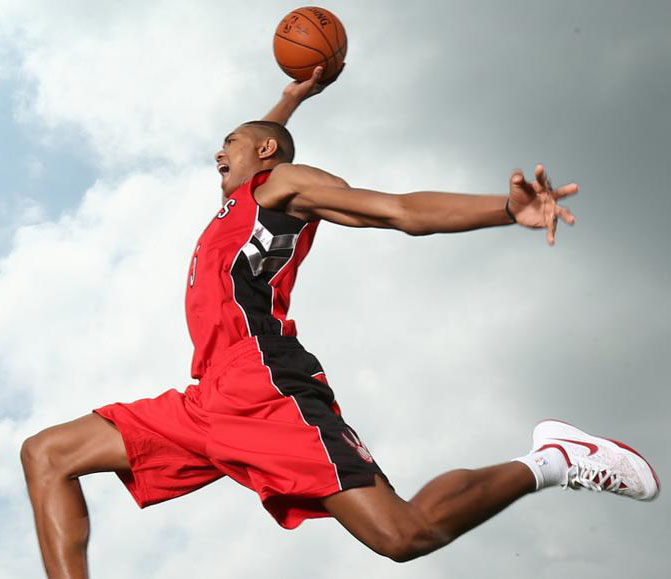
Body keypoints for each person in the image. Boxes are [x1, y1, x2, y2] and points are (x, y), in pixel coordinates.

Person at [21, 66, 659, 578]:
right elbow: (260, 134)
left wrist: (502, 209)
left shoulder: (278, 186)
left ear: (263, 155)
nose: (217, 152)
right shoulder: (240, 198)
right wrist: (291, 94)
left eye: (229, 145)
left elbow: (398, 209)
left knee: (403, 535)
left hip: (264, 387)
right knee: (47, 453)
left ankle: (553, 459)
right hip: (208, 399)